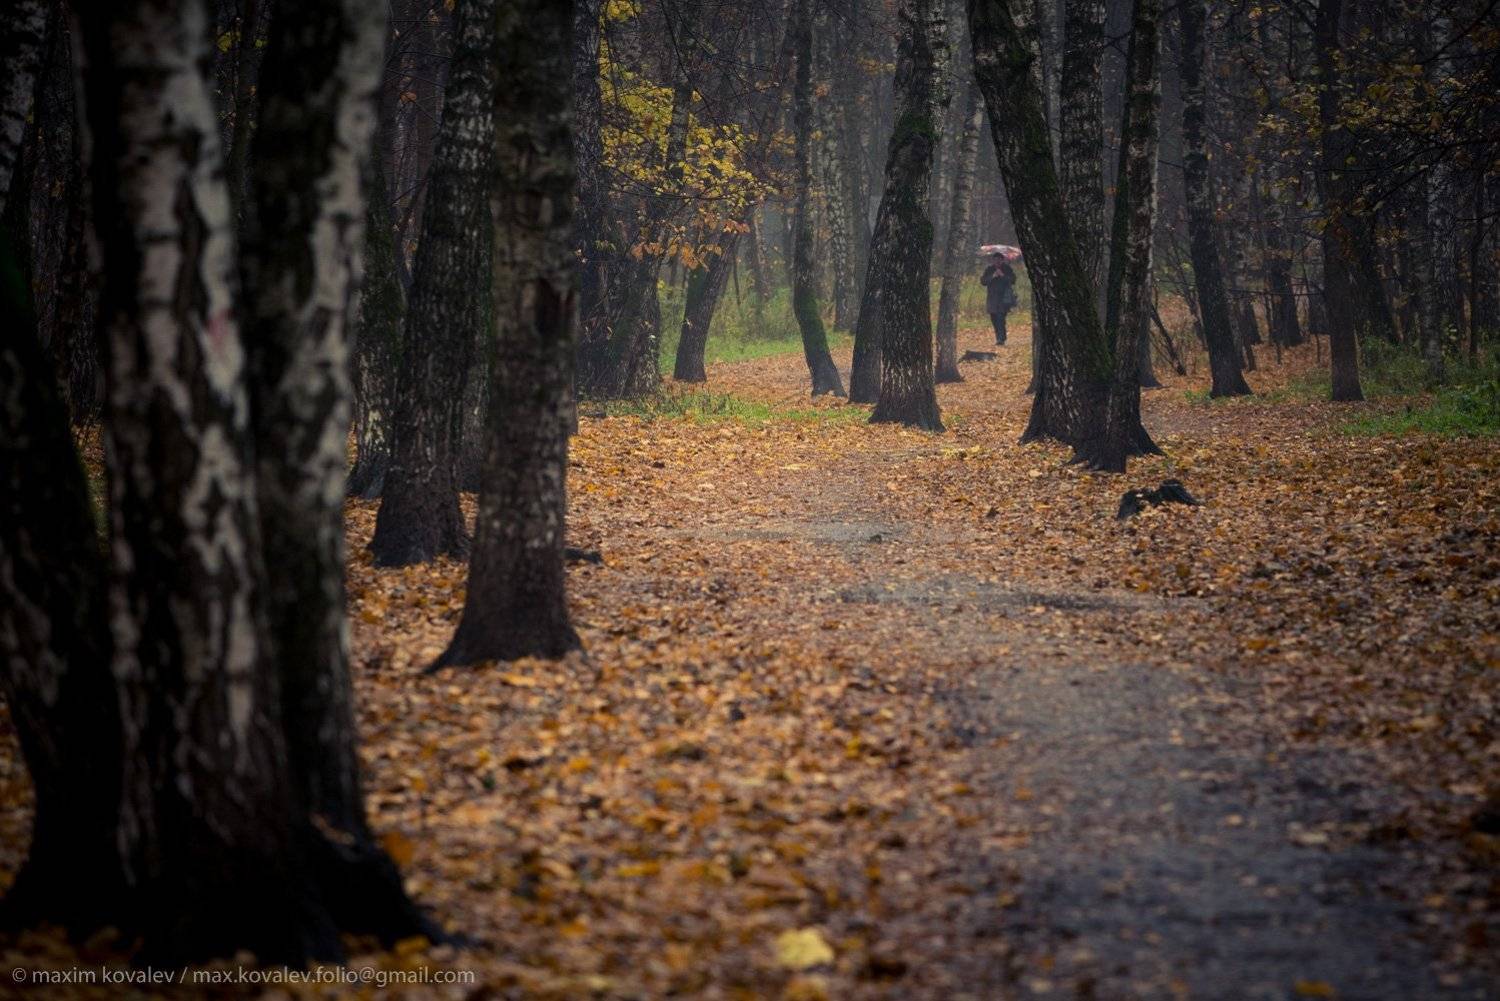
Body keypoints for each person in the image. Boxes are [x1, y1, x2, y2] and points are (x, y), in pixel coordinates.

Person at [979, 254, 1018, 345]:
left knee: (1001, 318)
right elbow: (983, 281)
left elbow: (1013, 280)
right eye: (995, 260)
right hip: (992, 298)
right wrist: (993, 276)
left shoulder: (1007, 268)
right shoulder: (989, 269)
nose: (997, 261)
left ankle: (1001, 338)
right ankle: (998, 337)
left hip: (1004, 298)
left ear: (1002, 260)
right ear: (993, 260)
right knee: (994, 319)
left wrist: (1002, 275)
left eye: (999, 260)